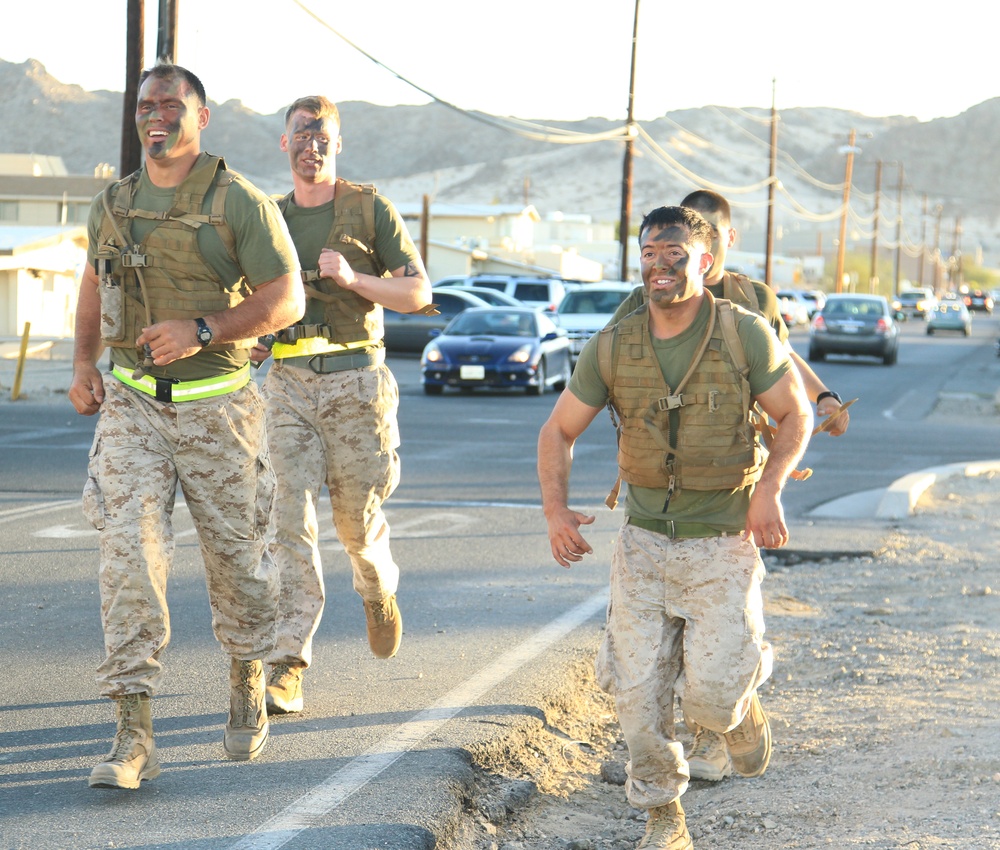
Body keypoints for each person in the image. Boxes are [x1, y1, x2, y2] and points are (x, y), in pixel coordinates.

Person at [537, 206, 812, 849]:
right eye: (650, 255)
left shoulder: (743, 333)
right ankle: (665, 818)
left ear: (706, 264)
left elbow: (794, 416)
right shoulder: (614, 343)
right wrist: (555, 508)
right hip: (643, 545)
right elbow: (559, 429)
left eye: (675, 255)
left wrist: (768, 490)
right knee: (636, 697)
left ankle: (738, 708)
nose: (660, 267)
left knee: (711, 699)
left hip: (722, 542)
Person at [69, 64, 305, 788]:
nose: (157, 115)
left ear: (201, 118)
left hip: (221, 402)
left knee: (240, 563)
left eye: (172, 104)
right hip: (133, 403)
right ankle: (134, 730)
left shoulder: (240, 203)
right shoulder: (112, 204)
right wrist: (84, 364)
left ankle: (245, 672)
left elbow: (288, 296)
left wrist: (206, 327)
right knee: (127, 559)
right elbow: (92, 282)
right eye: (146, 105)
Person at [612, 190, 850, 785]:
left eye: (710, 243)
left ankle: (718, 725)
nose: (699, 254)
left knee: (719, 626)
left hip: (735, 476)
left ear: (722, 244)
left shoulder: (749, 303)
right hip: (659, 486)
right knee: (653, 637)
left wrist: (819, 400)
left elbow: (783, 362)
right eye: (657, 251)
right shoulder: (641, 306)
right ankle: (691, 732)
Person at [253, 95, 432, 716]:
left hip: (357, 378)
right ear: (285, 144)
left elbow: (417, 293)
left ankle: (378, 588)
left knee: (355, 526)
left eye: (323, 135)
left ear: (338, 143)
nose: (313, 144)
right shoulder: (268, 218)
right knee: (287, 522)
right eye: (302, 134)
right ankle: (288, 662)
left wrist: (355, 279)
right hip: (289, 383)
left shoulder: (368, 207)